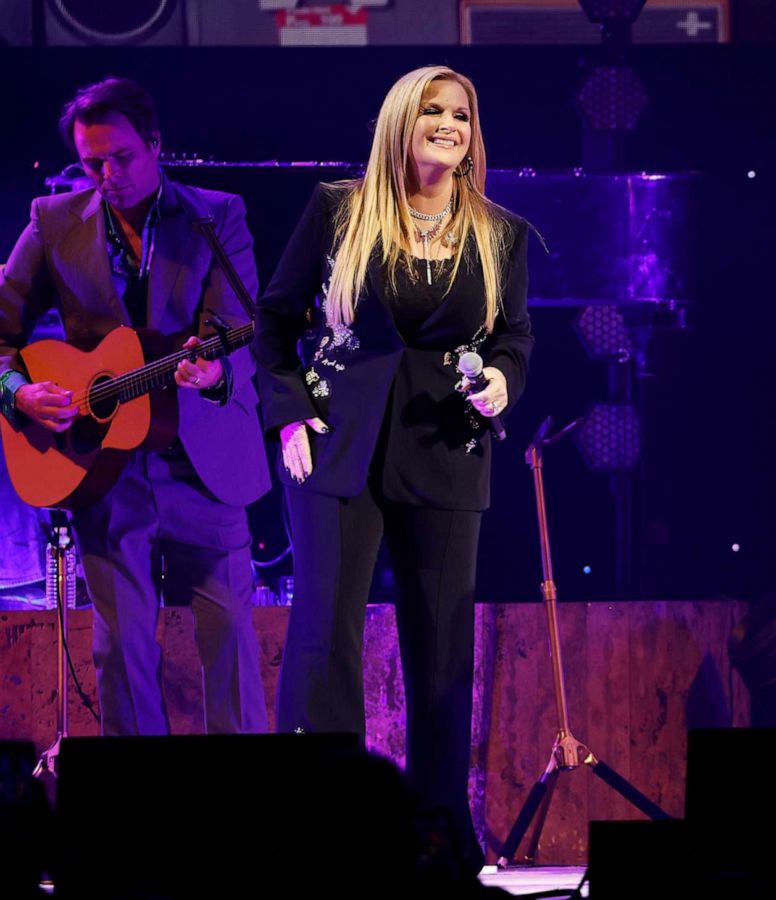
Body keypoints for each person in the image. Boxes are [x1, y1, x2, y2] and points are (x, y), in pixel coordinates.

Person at [252, 65, 532, 871]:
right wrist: (289, 409)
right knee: (323, 639)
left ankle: (437, 836)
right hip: (336, 444)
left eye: (462, 115)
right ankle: (314, 835)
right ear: (400, 123)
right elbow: (273, 324)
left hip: (446, 445)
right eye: (434, 112)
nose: (450, 124)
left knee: (443, 649)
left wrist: (505, 380)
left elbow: (516, 336)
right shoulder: (338, 210)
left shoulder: (500, 230)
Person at [0, 76, 270, 736]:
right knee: (121, 649)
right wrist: (17, 391)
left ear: (154, 144)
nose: (106, 175)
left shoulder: (216, 214)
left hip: (201, 459)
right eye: (92, 162)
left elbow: (233, 330)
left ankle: (252, 817)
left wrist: (212, 371)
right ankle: (137, 822)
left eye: (120, 158)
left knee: (232, 633)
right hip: (104, 469)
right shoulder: (54, 220)